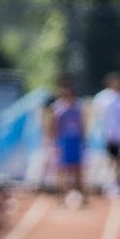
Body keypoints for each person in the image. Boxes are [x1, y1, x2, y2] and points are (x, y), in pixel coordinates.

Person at [46, 76, 86, 205]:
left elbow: (81, 124)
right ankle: (61, 195)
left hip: (75, 139)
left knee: (77, 169)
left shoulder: (78, 106)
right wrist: (53, 141)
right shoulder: (58, 107)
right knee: (62, 169)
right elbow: (53, 125)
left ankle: (81, 195)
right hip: (63, 140)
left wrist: (83, 138)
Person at [91, 71, 120, 194]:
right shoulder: (103, 97)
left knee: (118, 160)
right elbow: (96, 114)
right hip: (107, 134)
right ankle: (108, 183)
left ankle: (116, 183)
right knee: (108, 160)